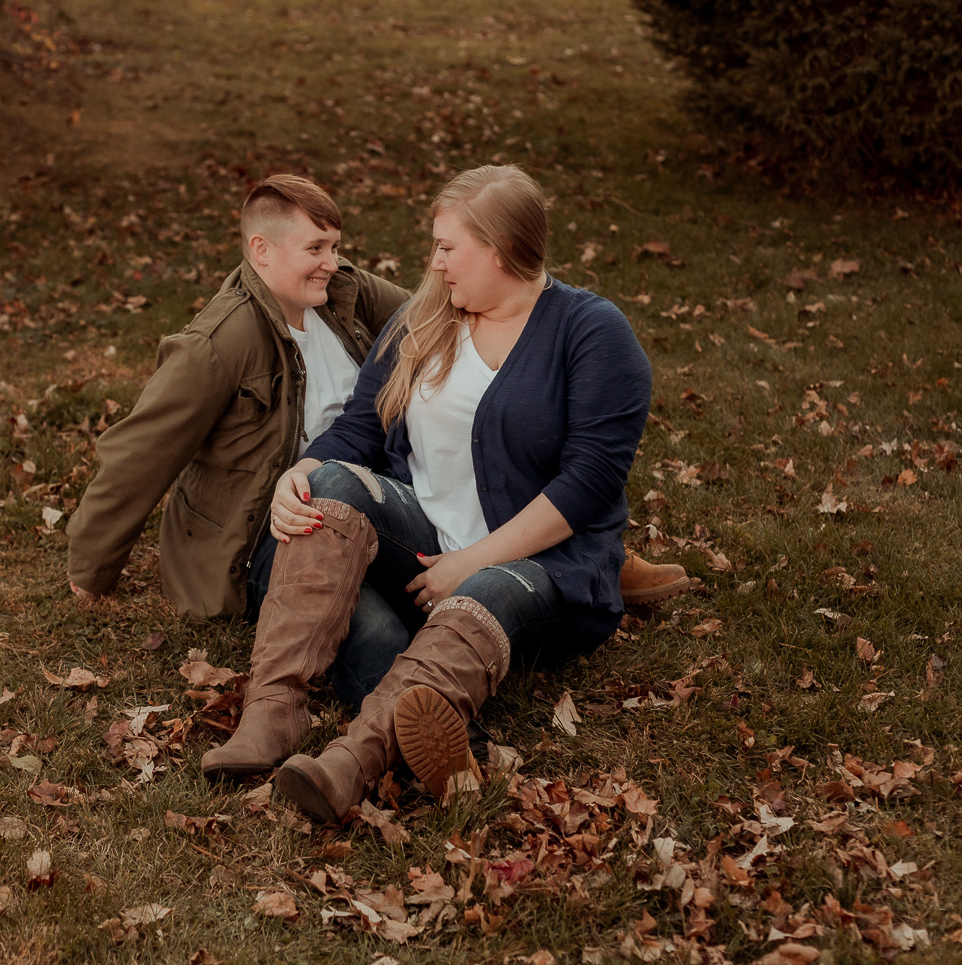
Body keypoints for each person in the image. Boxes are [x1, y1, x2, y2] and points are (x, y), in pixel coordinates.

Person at [202, 164, 655, 821]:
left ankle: (348, 766)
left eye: (447, 246)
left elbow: (586, 487)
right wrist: (297, 474)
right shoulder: (427, 319)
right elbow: (358, 428)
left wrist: (472, 562)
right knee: (327, 485)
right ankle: (272, 713)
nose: (436, 262)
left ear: (498, 248)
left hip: (542, 568)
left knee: (472, 595)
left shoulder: (590, 333)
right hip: (424, 545)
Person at [66, 174, 409, 630]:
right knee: (375, 632)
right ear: (261, 249)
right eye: (315, 249)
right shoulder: (221, 342)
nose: (332, 262)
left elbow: (428, 316)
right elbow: (140, 452)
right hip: (262, 535)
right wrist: (92, 568)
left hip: (358, 508)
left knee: (428, 601)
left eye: (335, 246)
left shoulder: (343, 294)